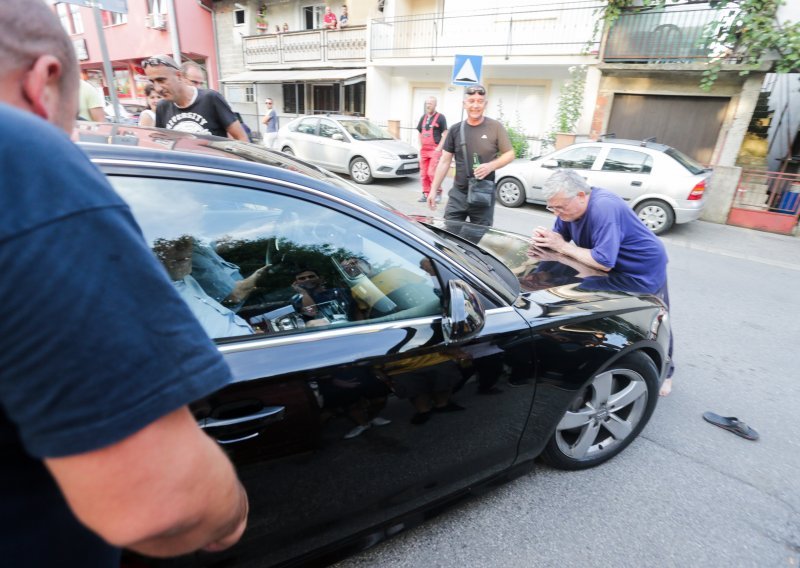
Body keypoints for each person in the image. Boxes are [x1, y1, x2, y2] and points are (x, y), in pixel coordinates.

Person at [0, 1, 248, 565]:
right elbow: (164, 504)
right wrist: (230, 509)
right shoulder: (20, 160)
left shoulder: (211, 103)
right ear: (45, 83)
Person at [529, 169, 674, 396]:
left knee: (655, 317)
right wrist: (544, 242)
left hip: (642, 268)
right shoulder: (568, 211)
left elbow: (603, 262)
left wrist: (561, 246)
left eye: (560, 207)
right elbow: (559, 241)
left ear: (581, 195)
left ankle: (666, 372)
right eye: (552, 208)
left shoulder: (604, 207)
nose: (557, 213)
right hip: (611, 264)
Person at [428, 85, 515, 226]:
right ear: (464, 104)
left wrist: (490, 166)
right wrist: (433, 190)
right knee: (448, 236)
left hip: (483, 194)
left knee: (479, 240)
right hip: (458, 194)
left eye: (480, 101)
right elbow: (444, 161)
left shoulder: (495, 127)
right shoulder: (455, 130)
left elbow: (510, 154)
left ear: (485, 104)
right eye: (471, 101)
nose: (475, 105)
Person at [153, 236, 256, 339]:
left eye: (187, 239)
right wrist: (260, 276)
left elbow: (207, 246)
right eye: (172, 243)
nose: (185, 246)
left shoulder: (186, 278)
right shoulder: (163, 303)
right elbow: (234, 296)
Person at [143, 54, 248, 141]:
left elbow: (241, 138)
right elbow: (163, 144)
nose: (157, 88)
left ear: (179, 76)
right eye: (152, 82)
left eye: (161, 80)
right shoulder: (162, 107)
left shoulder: (211, 99)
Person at [415, 96, 448, 203]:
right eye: (427, 103)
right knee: (423, 173)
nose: (428, 105)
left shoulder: (441, 117)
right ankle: (425, 194)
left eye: (431, 104)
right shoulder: (423, 117)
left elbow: (445, 134)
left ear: (435, 105)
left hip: (435, 150)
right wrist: (420, 146)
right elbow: (420, 133)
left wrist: (439, 148)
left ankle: (438, 192)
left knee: (432, 173)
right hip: (424, 150)